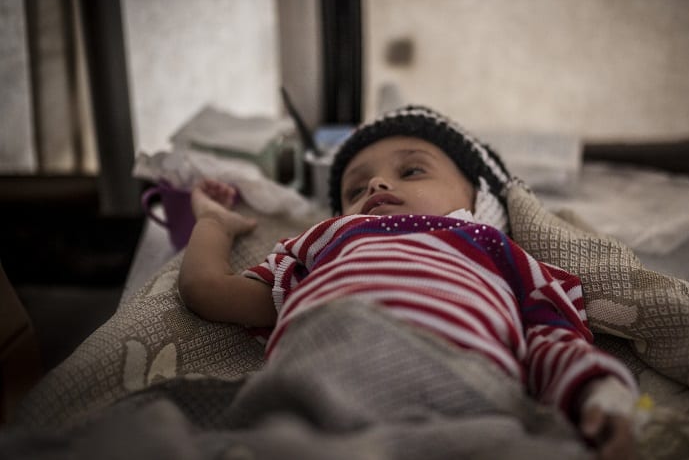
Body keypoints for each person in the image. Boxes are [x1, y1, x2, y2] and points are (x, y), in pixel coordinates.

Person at [178, 105, 640, 459]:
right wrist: (214, 224)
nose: (376, 184)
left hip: (463, 400)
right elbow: (208, 290)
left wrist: (599, 395)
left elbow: (550, 341)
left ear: (481, 199)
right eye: (354, 190)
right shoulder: (322, 241)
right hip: (317, 384)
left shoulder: (495, 250)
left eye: (412, 170)